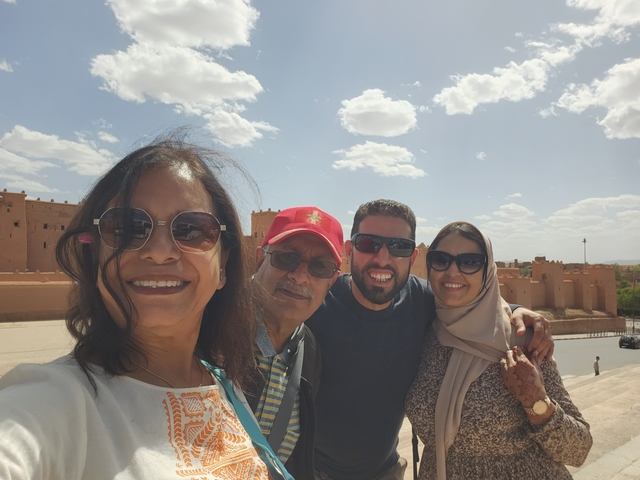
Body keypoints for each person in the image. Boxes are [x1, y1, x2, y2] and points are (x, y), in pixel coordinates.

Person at [0, 137, 291, 479]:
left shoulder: (223, 383)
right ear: (95, 256)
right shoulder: (55, 403)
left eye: (192, 229)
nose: (159, 250)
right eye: (126, 227)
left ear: (223, 264)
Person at [306, 199, 554, 480]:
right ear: (349, 251)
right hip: (311, 471)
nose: (383, 258)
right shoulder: (316, 303)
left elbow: (471, 300)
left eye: (398, 247)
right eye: (368, 243)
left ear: (412, 258)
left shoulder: (422, 301)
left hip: (385, 472)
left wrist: (518, 310)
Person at [405, 221, 592, 479]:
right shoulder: (423, 330)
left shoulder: (522, 339)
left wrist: (537, 402)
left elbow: (578, 449)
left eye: (470, 261)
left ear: (488, 271)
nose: (452, 272)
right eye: (440, 259)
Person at [249, 206, 343, 479]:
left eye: (320, 267)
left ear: (332, 281)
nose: (300, 276)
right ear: (259, 259)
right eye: (287, 258)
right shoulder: (208, 327)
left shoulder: (308, 349)